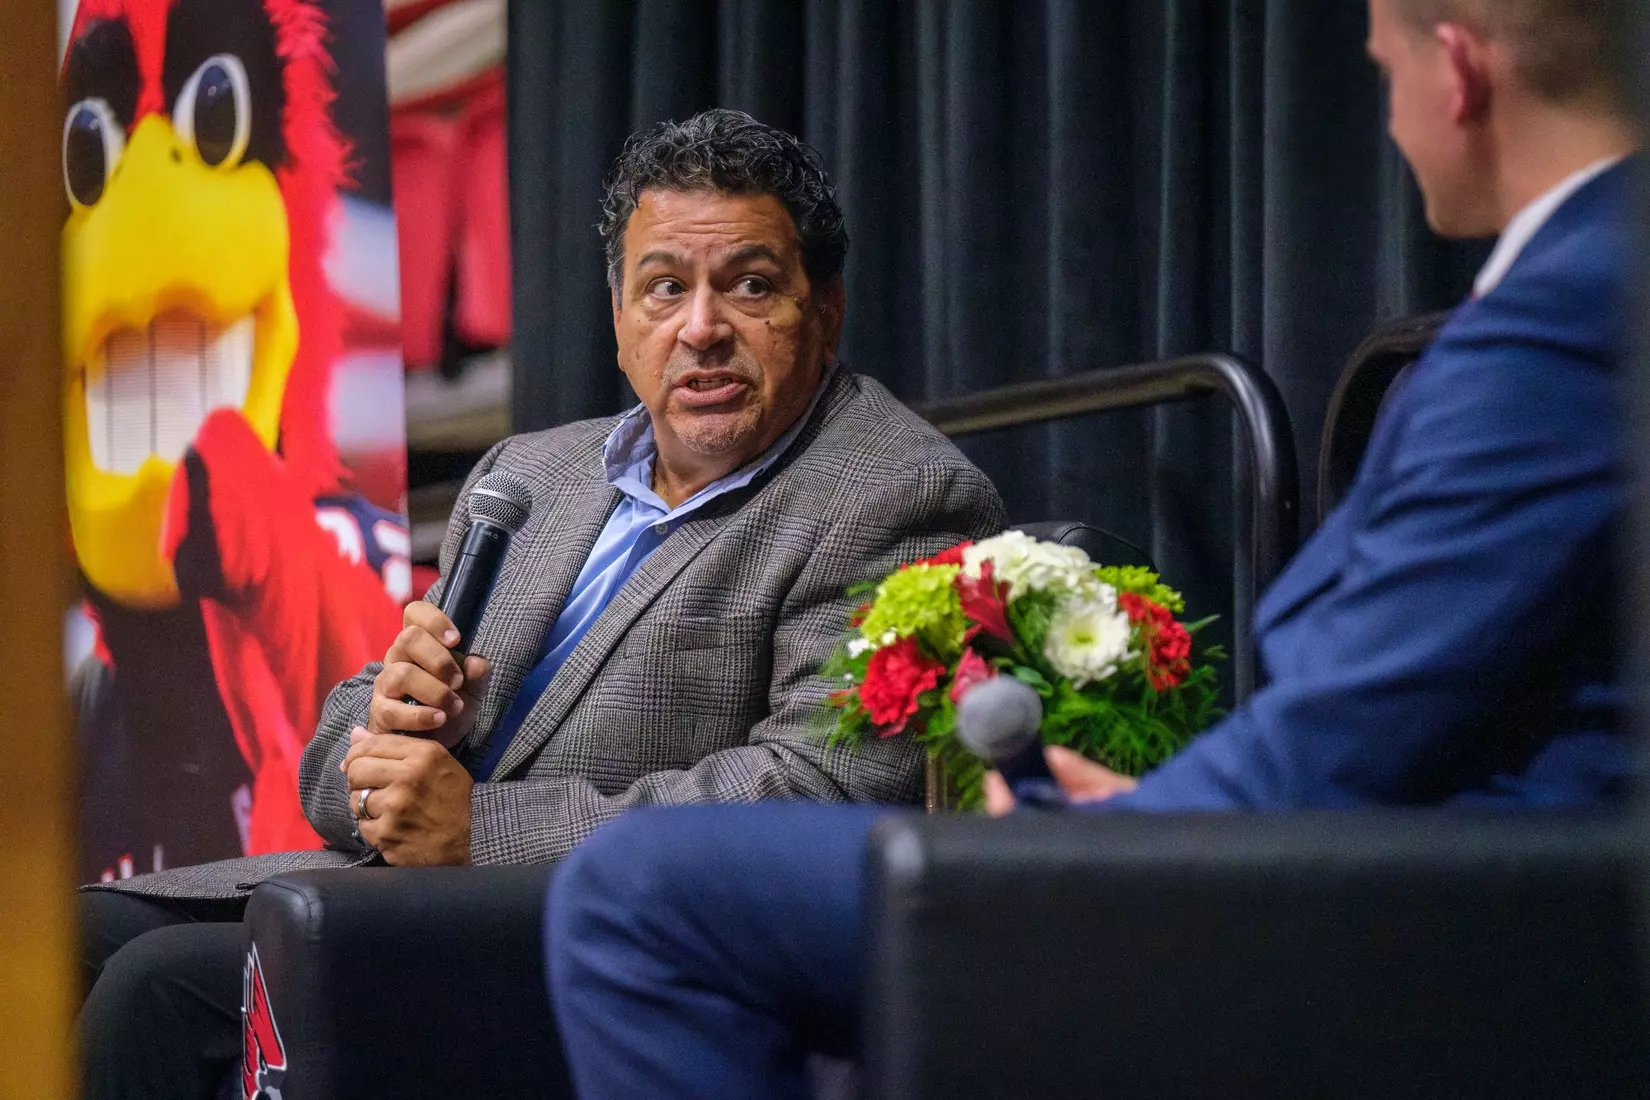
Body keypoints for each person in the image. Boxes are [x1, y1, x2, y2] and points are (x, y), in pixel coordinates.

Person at [545, 2, 1641, 1096]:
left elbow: (1354, 728)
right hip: (1404, 865)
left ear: (1455, 74)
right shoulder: (1584, 294)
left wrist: (1104, 837)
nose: (1390, 121)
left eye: (1384, 69)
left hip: (1448, 916)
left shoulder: (1569, 319)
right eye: (662, 289)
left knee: (638, 892)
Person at [75, 109, 1006, 1099]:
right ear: (618, 321)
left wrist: (482, 827)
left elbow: (820, 794)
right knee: (62, 937)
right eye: (664, 288)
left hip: (579, 933)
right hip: (376, 889)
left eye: (750, 285)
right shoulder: (537, 470)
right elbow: (340, 750)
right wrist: (392, 735)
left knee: (154, 990)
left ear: (824, 310)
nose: (701, 328)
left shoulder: (897, 493)